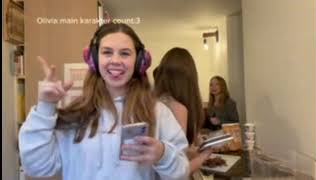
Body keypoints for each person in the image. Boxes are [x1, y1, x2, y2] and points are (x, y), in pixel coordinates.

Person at [18, 23, 189, 180]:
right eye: (107, 52)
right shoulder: (76, 114)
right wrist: (45, 107)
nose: (115, 60)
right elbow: (37, 167)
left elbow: (182, 171)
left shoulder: (158, 112)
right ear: (94, 59)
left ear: (139, 62)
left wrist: (163, 154)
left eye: (125, 53)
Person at [153, 47, 214, 177]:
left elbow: (171, 154)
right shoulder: (178, 108)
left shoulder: (155, 103)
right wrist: (204, 155)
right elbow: (177, 170)